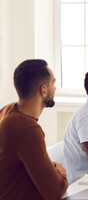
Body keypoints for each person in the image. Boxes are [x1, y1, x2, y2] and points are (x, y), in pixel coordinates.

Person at [0, 59, 68, 200]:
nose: (55, 88)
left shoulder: (8, 110)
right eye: (53, 83)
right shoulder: (28, 129)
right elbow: (54, 193)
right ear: (44, 90)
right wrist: (61, 174)